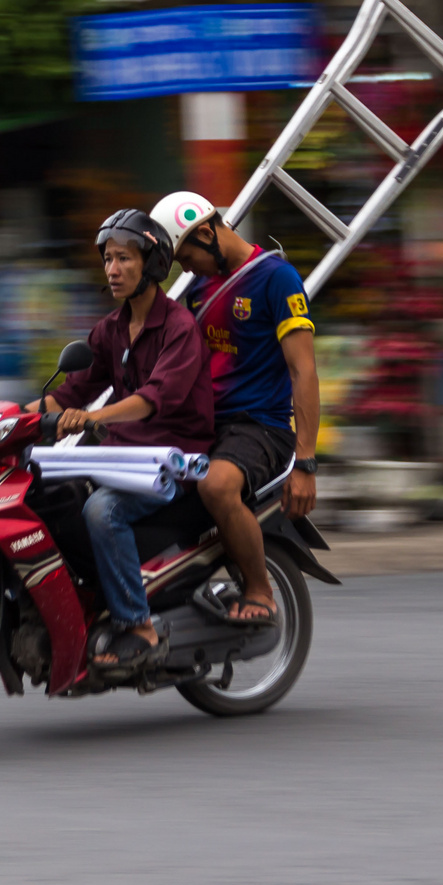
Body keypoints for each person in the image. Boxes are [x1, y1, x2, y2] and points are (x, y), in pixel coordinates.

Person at [29, 209, 214, 671]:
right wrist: (6, 418)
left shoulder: (179, 329)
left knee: (101, 510)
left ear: (151, 264)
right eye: (108, 259)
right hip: (125, 461)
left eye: (124, 259)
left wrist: (93, 419)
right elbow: (71, 394)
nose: (112, 269)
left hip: (173, 465)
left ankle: (139, 626)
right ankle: (86, 598)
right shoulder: (110, 329)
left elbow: (155, 399)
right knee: (47, 493)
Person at [150, 191, 318, 624]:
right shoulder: (198, 289)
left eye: (187, 257)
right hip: (207, 423)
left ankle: (261, 590)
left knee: (217, 486)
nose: (186, 270)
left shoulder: (276, 278)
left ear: (207, 233)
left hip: (260, 427)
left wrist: (306, 463)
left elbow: (303, 372)